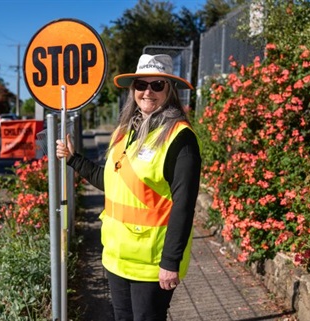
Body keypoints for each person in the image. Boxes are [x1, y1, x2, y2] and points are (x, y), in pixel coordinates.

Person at [56, 54, 202, 321]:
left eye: (157, 85)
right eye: (141, 85)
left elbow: (184, 206)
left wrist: (170, 263)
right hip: (116, 257)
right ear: (133, 89)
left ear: (169, 91)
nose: (148, 92)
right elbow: (113, 182)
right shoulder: (124, 131)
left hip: (151, 263)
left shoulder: (180, 139)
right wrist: (74, 160)